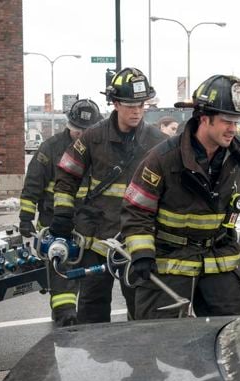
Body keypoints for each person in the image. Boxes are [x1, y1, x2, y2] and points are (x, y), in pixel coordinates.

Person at [120, 74, 240, 320]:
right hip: (169, 262)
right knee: (159, 339)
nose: (234, 129)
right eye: (226, 121)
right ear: (204, 119)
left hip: (217, 259)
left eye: (237, 122)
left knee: (233, 332)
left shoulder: (239, 153)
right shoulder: (163, 158)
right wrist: (142, 253)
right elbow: (136, 210)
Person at [50, 67, 167, 323]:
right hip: (97, 239)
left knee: (143, 311)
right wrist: (62, 212)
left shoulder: (159, 142)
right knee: (92, 310)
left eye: (140, 104)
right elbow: (67, 173)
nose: (136, 111)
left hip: (137, 242)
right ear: (114, 103)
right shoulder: (93, 137)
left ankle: (141, 360)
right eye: (129, 105)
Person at [18, 99, 102, 327]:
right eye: (78, 129)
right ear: (69, 124)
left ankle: (83, 314)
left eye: (87, 130)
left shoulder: (100, 149)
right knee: (61, 270)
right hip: (55, 221)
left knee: (89, 273)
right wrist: (25, 218)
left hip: (89, 222)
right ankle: (65, 313)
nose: (82, 134)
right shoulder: (51, 148)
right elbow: (33, 184)